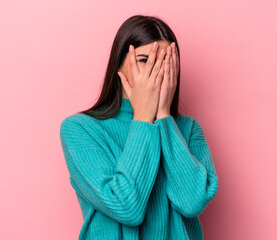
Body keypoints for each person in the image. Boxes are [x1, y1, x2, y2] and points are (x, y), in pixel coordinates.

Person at [59, 14, 218, 240]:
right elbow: (126, 206)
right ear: (119, 66)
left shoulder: (188, 129)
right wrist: (143, 116)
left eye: (166, 63)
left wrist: (163, 116)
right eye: (145, 60)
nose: (157, 72)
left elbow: (192, 202)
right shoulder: (81, 129)